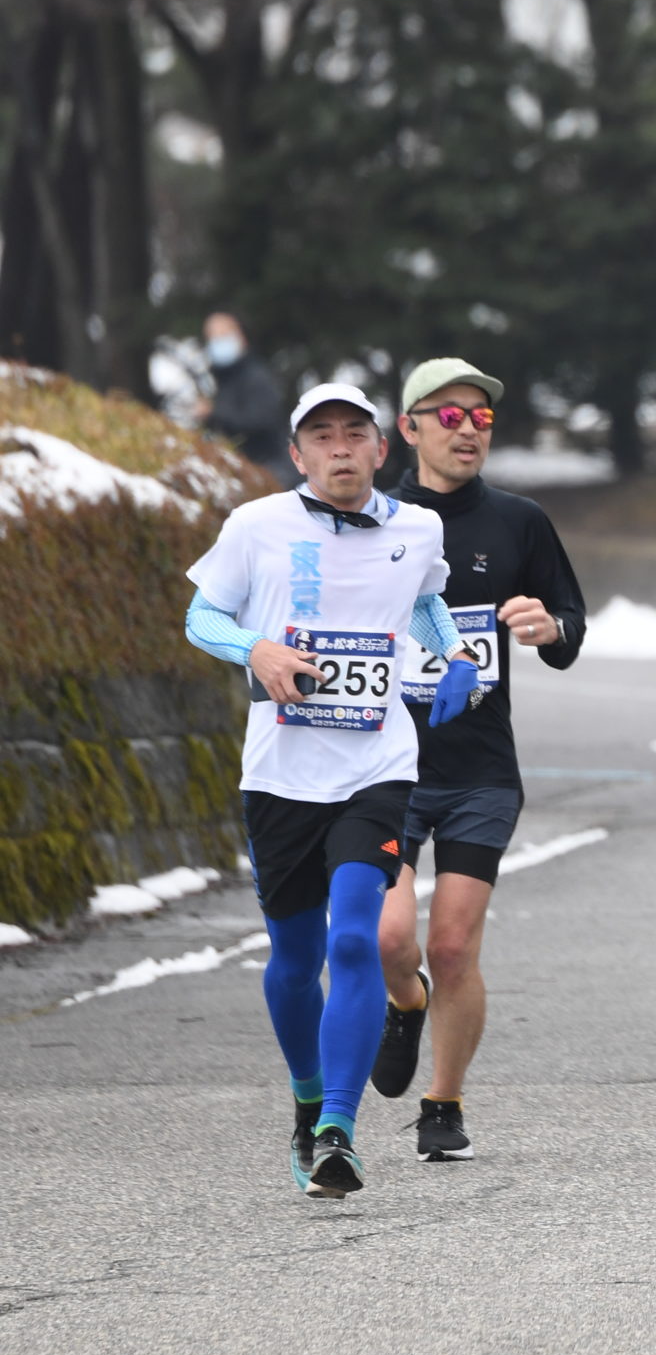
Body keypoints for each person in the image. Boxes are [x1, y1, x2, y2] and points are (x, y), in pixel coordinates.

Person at [182, 383, 481, 1196]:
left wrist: (456, 657)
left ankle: (337, 1131)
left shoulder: (418, 526)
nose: (341, 447)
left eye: (356, 433)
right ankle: (307, 1096)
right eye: (323, 436)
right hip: (280, 773)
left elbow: (425, 602)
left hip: (376, 767)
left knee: (357, 940)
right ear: (299, 454)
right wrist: (258, 651)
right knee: (293, 958)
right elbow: (200, 618)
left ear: (383, 449)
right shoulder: (256, 526)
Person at [371, 359, 588, 1163]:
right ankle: (405, 999)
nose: (468, 430)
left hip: (481, 772)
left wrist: (549, 626)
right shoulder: (377, 518)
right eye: (450, 416)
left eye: (482, 418)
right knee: (393, 937)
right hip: (385, 769)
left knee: (455, 943)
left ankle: (443, 1100)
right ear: (411, 428)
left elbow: (571, 623)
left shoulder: (519, 521)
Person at [196, 312, 292, 486]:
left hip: (274, 471)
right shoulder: (223, 382)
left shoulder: (256, 377)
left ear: (242, 337)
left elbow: (261, 421)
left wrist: (214, 415)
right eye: (212, 337)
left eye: (224, 335)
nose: (218, 342)